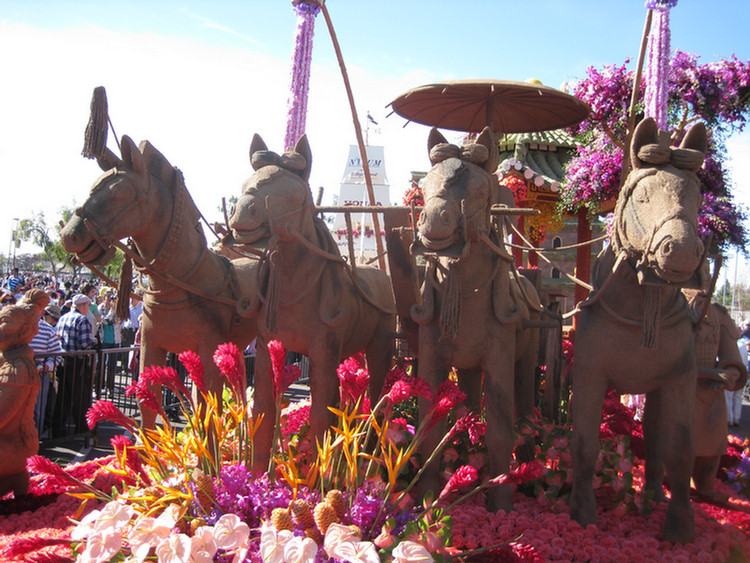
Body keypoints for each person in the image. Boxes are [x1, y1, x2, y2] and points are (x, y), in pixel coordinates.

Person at [684, 287, 748, 500]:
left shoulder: (718, 314)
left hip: (711, 399)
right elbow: (660, 362)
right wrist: (709, 373)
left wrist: (729, 373)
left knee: (709, 450)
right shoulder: (669, 308)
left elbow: (734, 361)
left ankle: (704, 491)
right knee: (677, 450)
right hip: (678, 395)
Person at [0, 289, 49, 497]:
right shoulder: (10, 362)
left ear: (25, 330)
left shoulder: (17, 368)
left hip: (15, 448)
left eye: (4, 324)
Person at [50, 293, 96, 437]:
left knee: (62, 396)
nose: (88, 307)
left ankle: (57, 428)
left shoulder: (63, 317)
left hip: (62, 360)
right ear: (82, 306)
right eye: (87, 304)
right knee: (79, 397)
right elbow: (85, 343)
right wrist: (94, 341)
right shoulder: (82, 320)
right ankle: (81, 429)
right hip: (77, 362)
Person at [28, 302, 63, 434]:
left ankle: (35, 442)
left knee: (37, 411)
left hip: (40, 376)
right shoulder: (17, 328)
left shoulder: (48, 330)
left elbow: (56, 356)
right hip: (18, 376)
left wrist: (46, 366)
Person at [727, 321, 750, 426]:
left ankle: (729, 419)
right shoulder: (743, 345)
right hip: (742, 371)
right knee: (738, 397)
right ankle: (736, 418)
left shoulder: (731, 345)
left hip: (731, 371)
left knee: (729, 396)